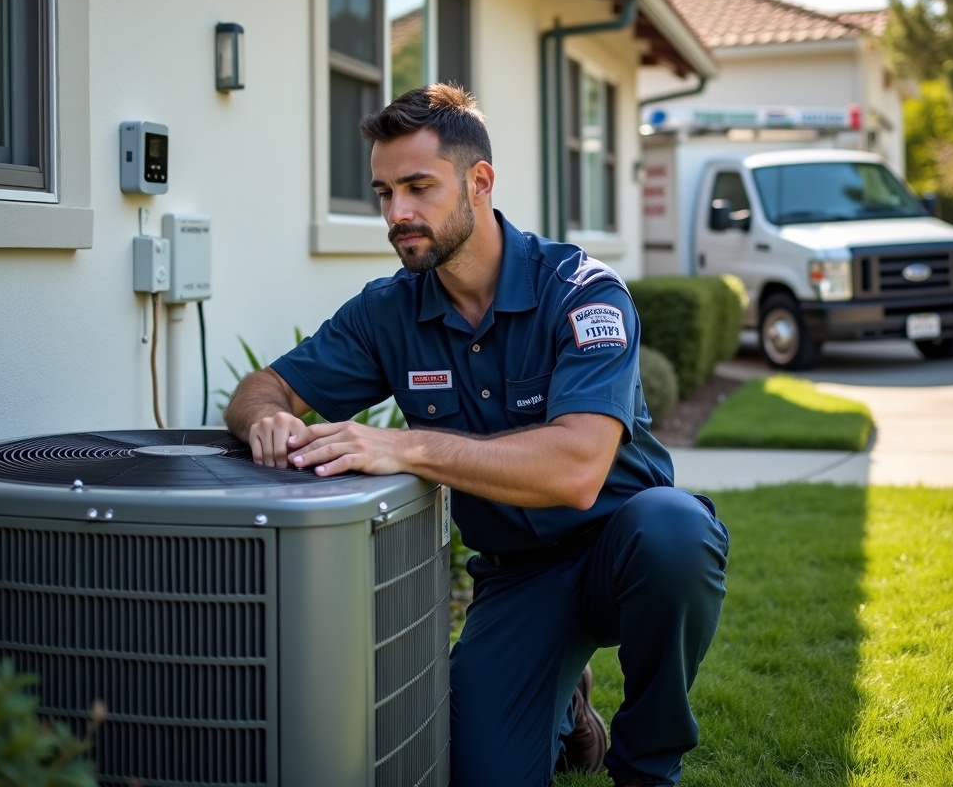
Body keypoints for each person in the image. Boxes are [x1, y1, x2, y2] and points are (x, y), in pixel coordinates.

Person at [224, 83, 729, 787]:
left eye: (418, 187)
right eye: (382, 193)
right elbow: (258, 389)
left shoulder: (582, 291)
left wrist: (408, 446)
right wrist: (267, 418)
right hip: (519, 574)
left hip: (624, 548)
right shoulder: (387, 314)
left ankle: (646, 764)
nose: (397, 213)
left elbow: (578, 468)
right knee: (472, 772)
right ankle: (571, 713)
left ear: (479, 181)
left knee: (677, 531)